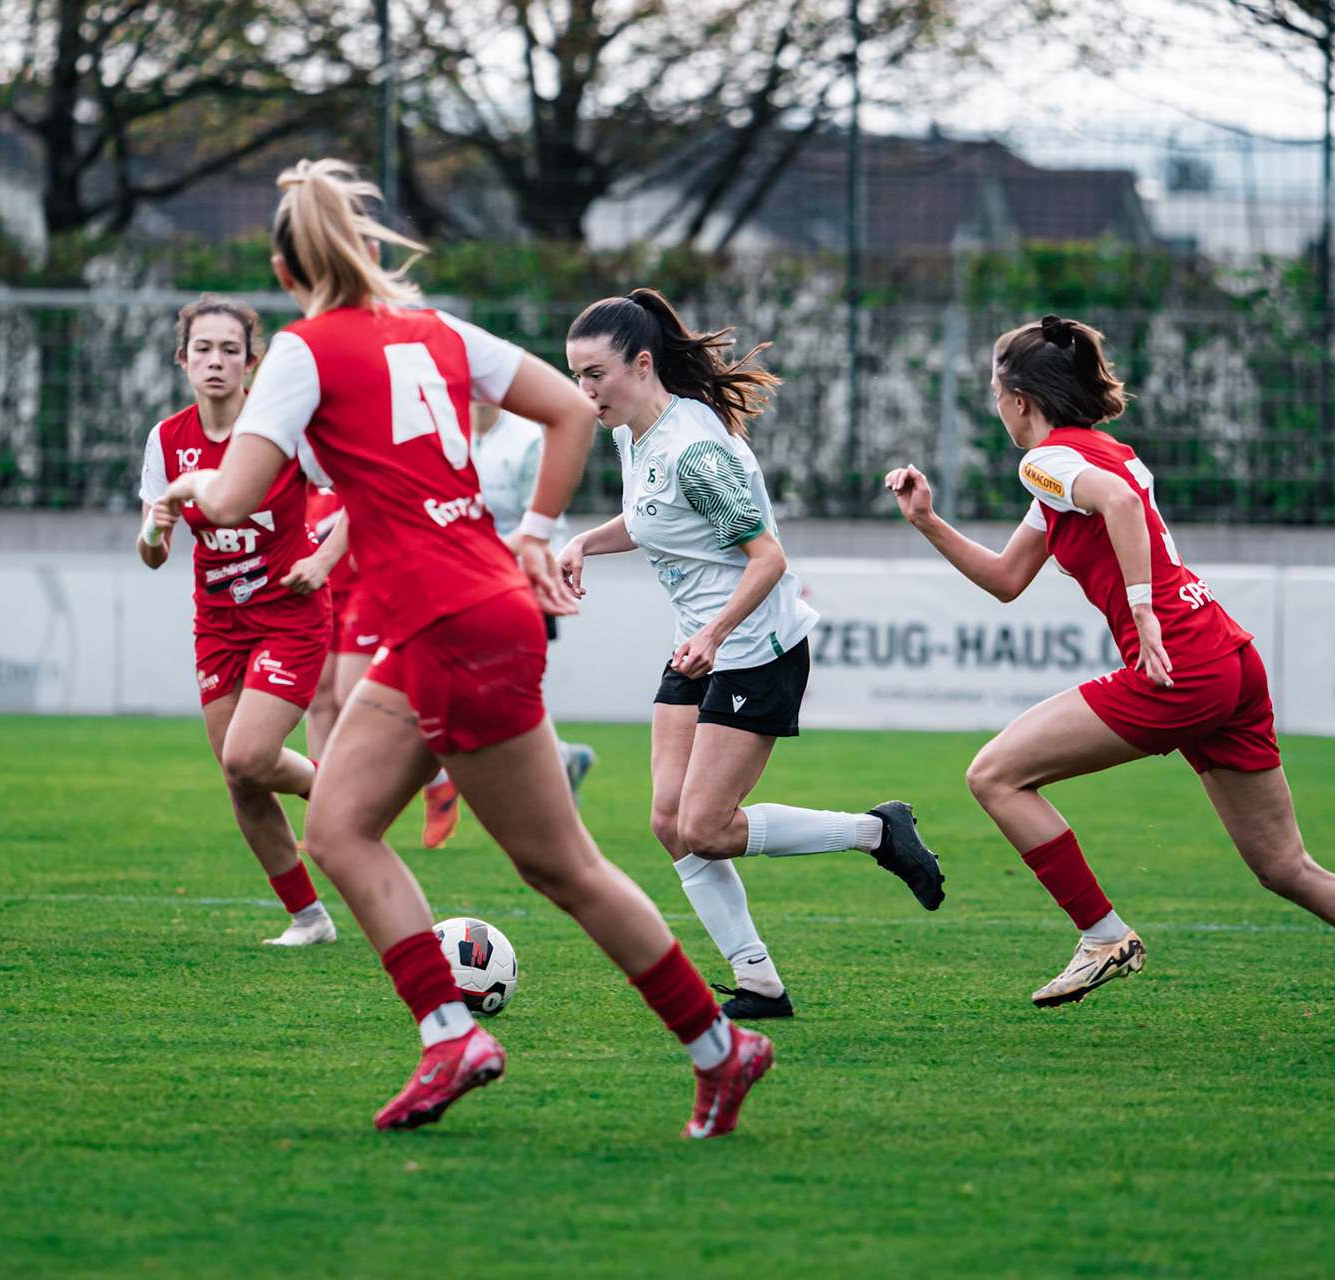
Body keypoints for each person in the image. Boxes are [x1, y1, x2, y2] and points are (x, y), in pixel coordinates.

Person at [157, 159, 772, 1137]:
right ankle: (450, 1033)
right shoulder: (435, 329)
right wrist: (533, 527)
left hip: (451, 626)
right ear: (363, 249)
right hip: (458, 615)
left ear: (285, 271)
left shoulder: (305, 352)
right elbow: (569, 409)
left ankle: (718, 1045)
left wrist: (176, 495)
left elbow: (229, 497)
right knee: (340, 826)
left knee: (561, 865)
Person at [885, 313, 1335, 1051]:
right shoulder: (1085, 459)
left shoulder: (1045, 461)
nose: (995, 407)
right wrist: (928, 522)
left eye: (993, 393)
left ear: (1018, 399)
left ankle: (1103, 936)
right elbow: (1009, 580)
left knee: (995, 775)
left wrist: (1141, 613)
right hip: (1228, 657)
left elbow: (1122, 506)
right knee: (1284, 866)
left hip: (1181, 667)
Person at [559, 289, 945, 1023]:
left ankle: (876, 831)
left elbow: (768, 558)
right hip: (702, 647)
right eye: (577, 376)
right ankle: (760, 984)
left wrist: (713, 634)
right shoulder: (633, 432)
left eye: (596, 374)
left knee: (706, 827)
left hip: (754, 650)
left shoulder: (696, 451)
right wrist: (585, 542)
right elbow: (652, 518)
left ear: (642, 366)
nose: (586, 391)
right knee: (670, 823)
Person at [138, 293, 346, 949]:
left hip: (289, 614)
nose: (216, 361)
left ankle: (343, 793)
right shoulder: (168, 440)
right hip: (217, 625)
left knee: (249, 755)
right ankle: (309, 918)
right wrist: (154, 529)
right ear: (183, 360)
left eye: (231, 349)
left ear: (253, 364)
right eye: (204, 349)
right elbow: (151, 554)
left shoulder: (282, 430)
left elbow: (367, 497)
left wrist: (324, 559)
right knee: (240, 774)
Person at [302, 487, 464, 847]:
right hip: (321, 585)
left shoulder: (358, 454)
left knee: (351, 696)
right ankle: (325, 818)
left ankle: (438, 782)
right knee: (319, 700)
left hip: (366, 582)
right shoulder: (303, 465)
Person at [471, 397, 598, 804]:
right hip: (476, 573)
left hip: (528, 571)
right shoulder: (453, 433)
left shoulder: (527, 440)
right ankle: (559, 759)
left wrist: (477, 554)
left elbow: (538, 521)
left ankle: (547, 771)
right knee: (491, 683)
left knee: (512, 680)